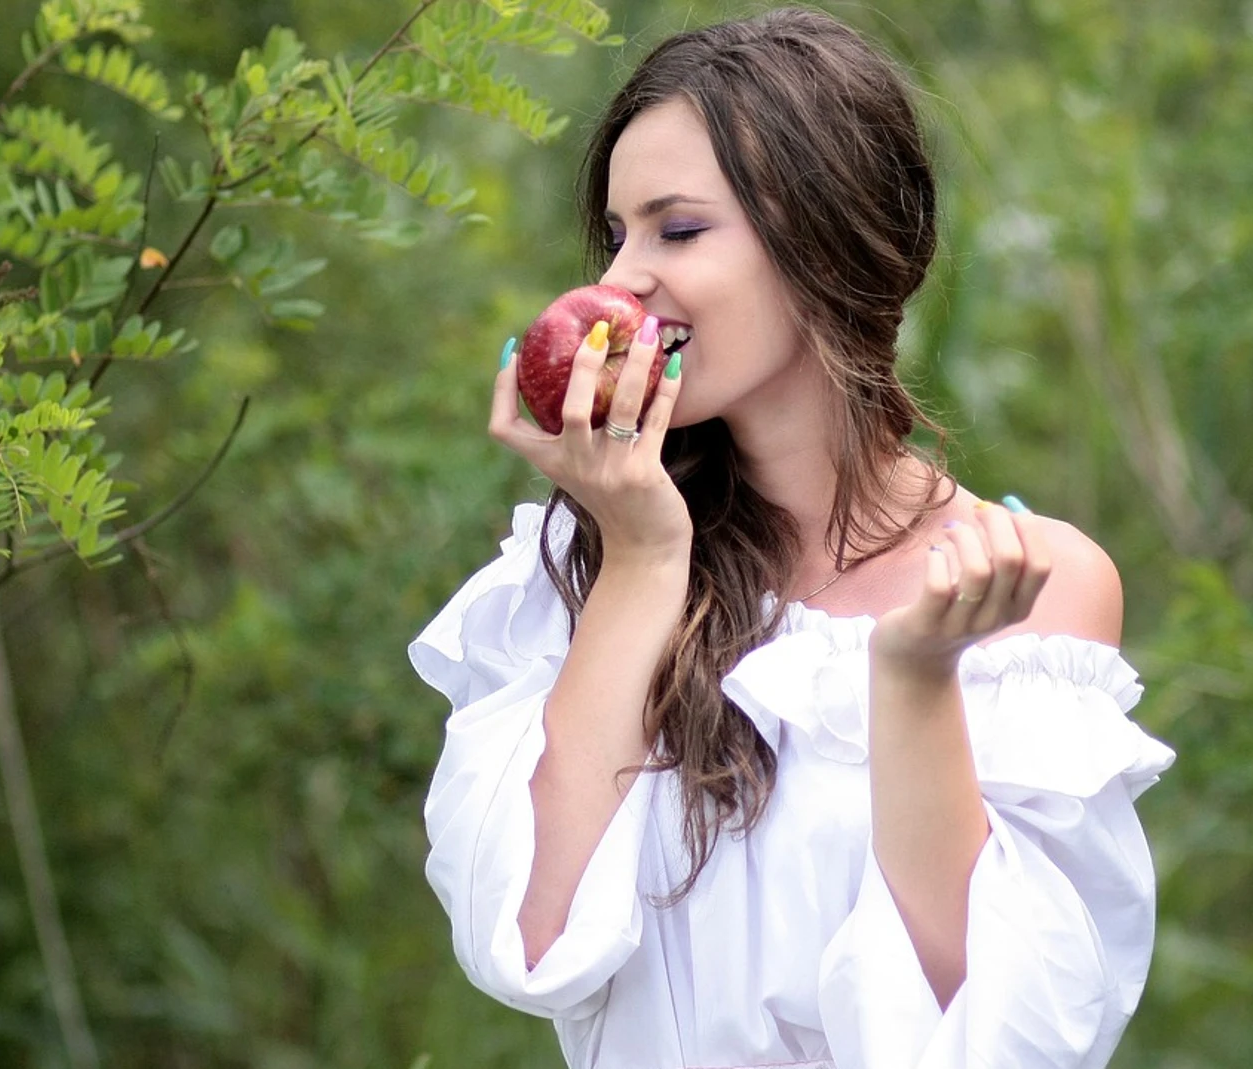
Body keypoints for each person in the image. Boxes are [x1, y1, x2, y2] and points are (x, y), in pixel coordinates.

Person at [408, 8, 1174, 1068]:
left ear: (821, 239)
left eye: (676, 231)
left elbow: (988, 1029)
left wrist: (912, 681)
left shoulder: (1021, 584)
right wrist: (638, 560)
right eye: (614, 235)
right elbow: (531, 946)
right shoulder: (581, 568)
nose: (622, 280)